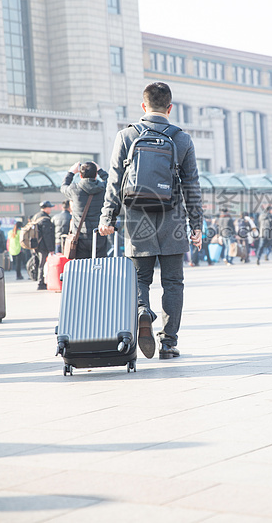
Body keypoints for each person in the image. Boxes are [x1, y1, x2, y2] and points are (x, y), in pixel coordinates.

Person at [99, 82, 203, 360]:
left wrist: (107, 217)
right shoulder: (182, 139)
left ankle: (143, 311)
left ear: (143, 106)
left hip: (136, 219)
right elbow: (192, 185)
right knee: (173, 282)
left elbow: (114, 181)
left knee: (139, 278)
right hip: (173, 219)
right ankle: (168, 343)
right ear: (170, 108)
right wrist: (197, 225)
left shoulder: (126, 135)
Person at [61, 161, 108, 259]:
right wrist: (100, 170)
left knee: (82, 269)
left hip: (80, 237)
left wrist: (71, 172)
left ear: (80, 176)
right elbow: (112, 182)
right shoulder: (103, 188)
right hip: (99, 235)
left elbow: (63, 187)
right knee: (100, 267)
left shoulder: (74, 189)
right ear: (96, 175)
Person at [32, 201, 56, 290]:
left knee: (39, 263)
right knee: (42, 264)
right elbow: (47, 235)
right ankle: (40, 283)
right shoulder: (45, 219)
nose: (51, 209)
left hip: (35, 245)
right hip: (43, 246)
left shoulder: (36, 216)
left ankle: (39, 280)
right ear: (46, 208)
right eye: (50, 207)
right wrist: (51, 249)